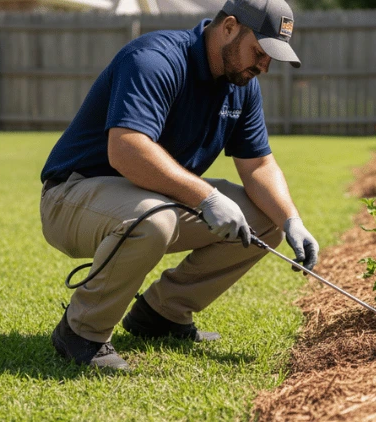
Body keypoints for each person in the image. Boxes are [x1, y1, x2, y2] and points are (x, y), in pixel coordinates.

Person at [39, 0, 319, 370]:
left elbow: (259, 165)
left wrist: (291, 220)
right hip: (72, 197)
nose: (264, 66)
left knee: (265, 220)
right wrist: (206, 196)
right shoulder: (155, 59)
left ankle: (162, 315)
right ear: (230, 27)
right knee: (153, 221)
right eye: (260, 51)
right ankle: (82, 332)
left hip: (150, 198)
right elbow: (126, 149)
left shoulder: (242, 84)